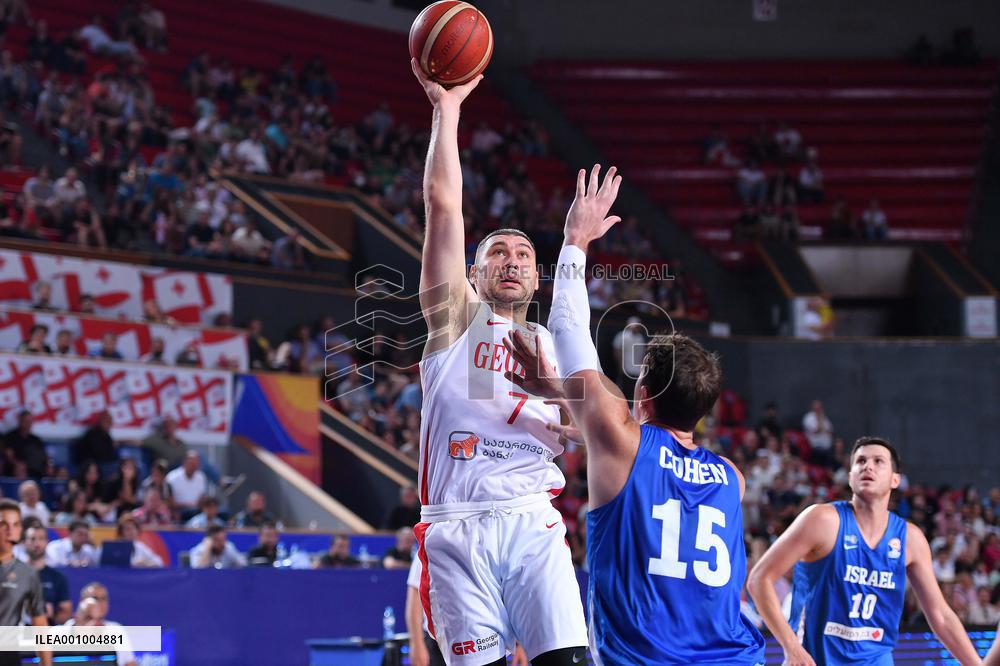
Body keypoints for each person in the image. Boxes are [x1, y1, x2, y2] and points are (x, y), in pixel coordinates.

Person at [505, 164, 764, 663]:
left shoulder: (621, 439)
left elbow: (565, 325)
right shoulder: (734, 477)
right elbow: (647, 457)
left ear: (641, 394)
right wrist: (566, 397)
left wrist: (576, 238)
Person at [409, 58, 588, 664]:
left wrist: (559, 395)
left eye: (523, 254)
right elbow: (442, 207)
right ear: (474, 274)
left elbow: (588, 434)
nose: (512, 260)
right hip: (457, 527)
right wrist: (447, 109)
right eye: (497, 253)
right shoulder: (454, 320)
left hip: (533, 523)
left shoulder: (557, 344)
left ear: (536, 279)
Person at [748, 437, 981, 666]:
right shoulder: (822, 520)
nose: (868, 466)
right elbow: (759, 579)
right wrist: (791, 648)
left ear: (895, 479)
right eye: (860, 461)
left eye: (878, 461)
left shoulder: (910, 539)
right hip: (816, 658)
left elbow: (941, 615)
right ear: (850, 477)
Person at [0, 500, 52, 666]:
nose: (9, 531)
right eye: (3, 524)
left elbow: (40, 625)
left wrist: (46, 663)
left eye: (15, 524)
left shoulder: (27, 574)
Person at [64, 582, 137, 666]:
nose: (99, 603)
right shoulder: (63, 630)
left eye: (103, 598)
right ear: (82, 601)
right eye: (95, 598)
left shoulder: (116, 629)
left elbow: (130, 663)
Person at [23, 524, 71, 625]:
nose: (36, 543)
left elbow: (66, 612)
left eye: (41, 538)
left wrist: (51, 614)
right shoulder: (13, 574)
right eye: (32, 539)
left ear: (47, 542)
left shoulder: (57, 578)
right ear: (24, 542)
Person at [5, 410, 47, 478]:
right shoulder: (10, 437)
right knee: (20, 468)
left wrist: (48, 465)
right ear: (20, 421)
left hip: (34, 469)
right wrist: (17, 463)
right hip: (15, 469)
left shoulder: (36, 440)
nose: (28, 424)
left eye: (30, 422)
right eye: (26, 421)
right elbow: (8, 454)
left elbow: (43, 456)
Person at [165, 451, 208, 515]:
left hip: (197, 510)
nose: (194, 466)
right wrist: (190, 505)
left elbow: (202, 497)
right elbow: (169, 502)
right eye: (192, 464)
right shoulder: (172, 477)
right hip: (179, 511)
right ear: (184, 462)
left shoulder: (201, 477)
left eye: (196, 464)